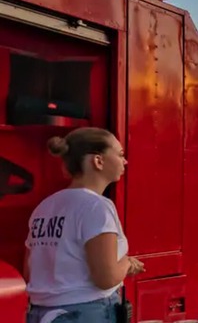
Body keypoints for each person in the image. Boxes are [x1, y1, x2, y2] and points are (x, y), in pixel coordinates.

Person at [24, 128, 145, 323]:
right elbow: (106, 278)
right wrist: (127, 263)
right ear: (98, 161)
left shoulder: (44, 207)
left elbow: (30, 270)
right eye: (120, 154)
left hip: (40, 313)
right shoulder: (97, 206)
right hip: (86, 313)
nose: (125, 161)